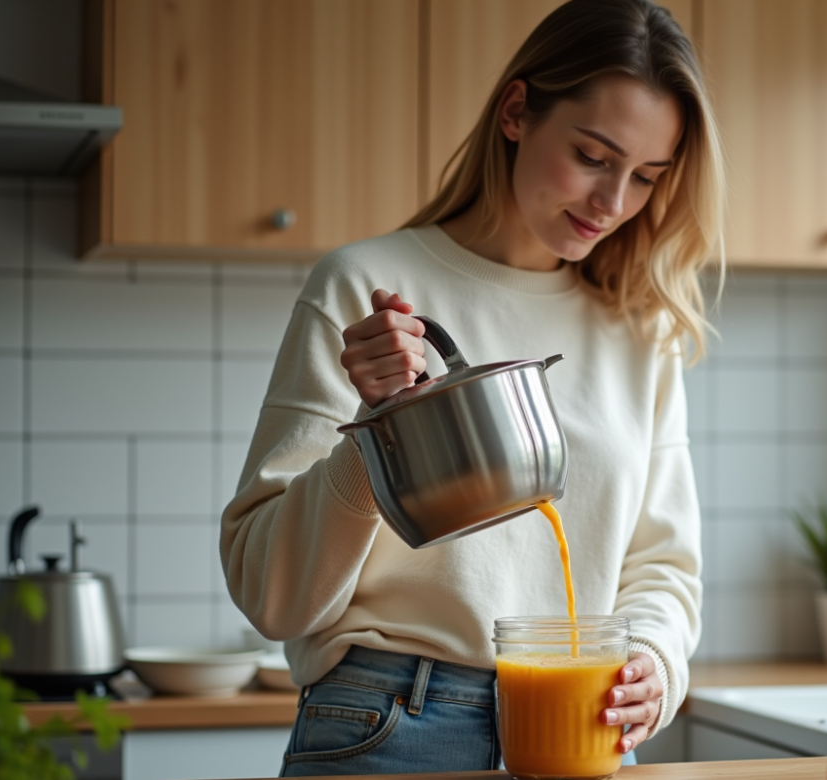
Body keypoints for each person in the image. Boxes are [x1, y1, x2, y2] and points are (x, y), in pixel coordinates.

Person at [219, 0, 725, 774]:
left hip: (581, 730)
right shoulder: (363, 286)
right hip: (387, 720)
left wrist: (656, 658)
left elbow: (663, 565)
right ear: (518, 112)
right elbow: (272, 598)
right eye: (593, 156)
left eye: (647, 178)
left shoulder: (639, 327)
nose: (613, 203)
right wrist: (378, 434)